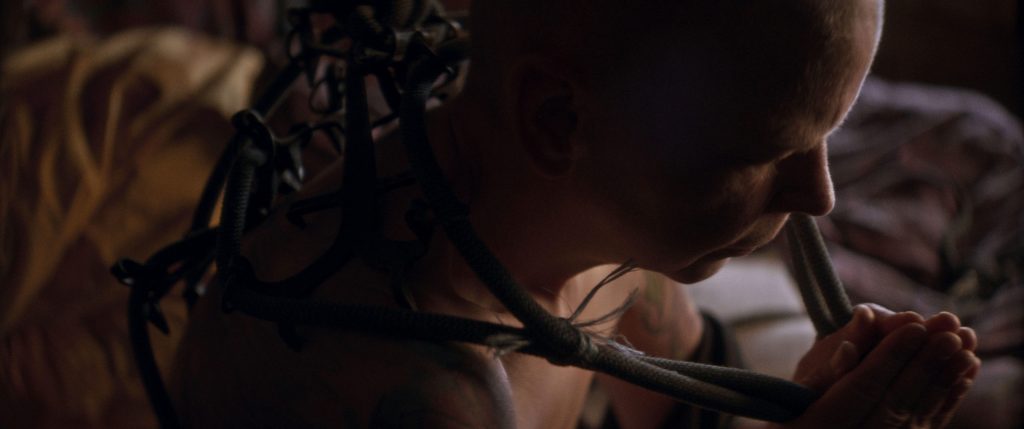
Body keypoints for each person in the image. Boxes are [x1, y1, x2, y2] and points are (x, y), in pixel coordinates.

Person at [172, 0, 981, 427]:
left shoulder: (594, 220)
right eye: (767, 150)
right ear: (556, 117)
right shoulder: (413, 391)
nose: (820, 195)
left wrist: (813, 401)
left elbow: (686, 412)